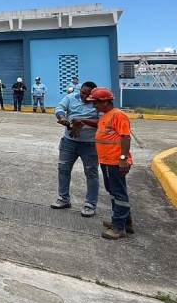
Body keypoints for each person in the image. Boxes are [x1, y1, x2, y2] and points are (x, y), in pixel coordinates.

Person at [73, 87, 134, 240]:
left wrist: (122, 159)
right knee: (114, 191)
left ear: (106, 101)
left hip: (115, 161)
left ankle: (119, 227)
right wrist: (83, 120)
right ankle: (124, 222)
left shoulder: (118, 115)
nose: (94, 106)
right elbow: (99, 125)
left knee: (118, 192)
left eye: (96, 103)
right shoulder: (106, 115)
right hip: (107, 160)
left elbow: (126, 137)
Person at [50, 81, 100, 217]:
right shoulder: (71, 97)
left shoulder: (98, 103)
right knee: (63, 169)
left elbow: (103, 122)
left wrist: (82, 121)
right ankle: (63, 199)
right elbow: (60, 107)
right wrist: (62, 117)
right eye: (82, 93)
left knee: (91, 173)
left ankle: (90, 204)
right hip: (69, 142)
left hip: (89, 144)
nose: (83, 96)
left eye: (87, 95)